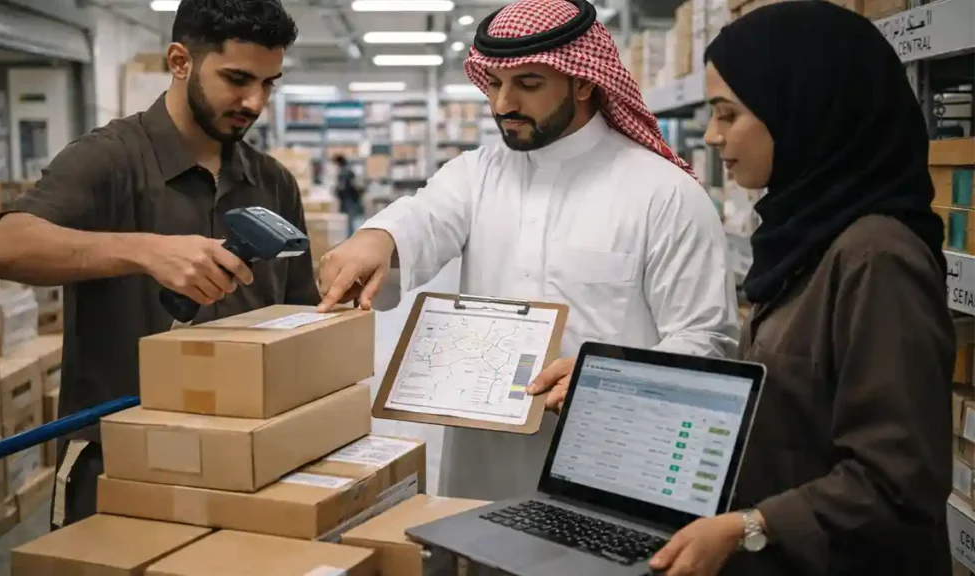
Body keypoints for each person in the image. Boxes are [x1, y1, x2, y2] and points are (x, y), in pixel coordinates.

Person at [317, 0, 739, 502]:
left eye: (528, 84)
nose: (502, 104)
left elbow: (706, 338)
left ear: (583, 81)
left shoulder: (664, 194)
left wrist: (607, 373)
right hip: (482, 470)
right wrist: (378, 236)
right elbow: (424, 216)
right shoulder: (478, 173)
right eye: (494, 83)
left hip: (608, 462)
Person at [0, 0, 317, 527]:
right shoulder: (107, 158)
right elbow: (2, 247)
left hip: (248, 458)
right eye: (237, 79)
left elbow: (303, 315)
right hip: (120, 460)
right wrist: (146, 249)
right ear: (180, 61)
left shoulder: (272, 181)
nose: (255, 101)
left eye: (270, 83)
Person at [647, 3, 954, 575]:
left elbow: (897, 479)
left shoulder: (877, 258)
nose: (712, 136)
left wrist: (749, 528)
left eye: (727, 114)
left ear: (804, 109)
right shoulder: (805, 240)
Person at [333, 154, 364, 236]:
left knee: (349, 219)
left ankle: (350, 237)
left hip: (348, 198)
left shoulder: (344, 172)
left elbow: (342, 187)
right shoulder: (349, 170)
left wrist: (336, 191)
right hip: (352, 198)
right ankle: (351, 235)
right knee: (352, 219)